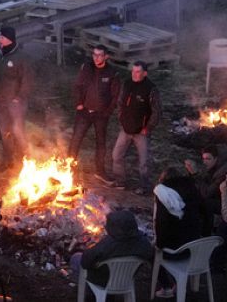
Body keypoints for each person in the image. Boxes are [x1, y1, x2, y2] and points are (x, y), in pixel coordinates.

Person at [152, 166, 211, 298]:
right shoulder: (192, 190)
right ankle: (183, 282)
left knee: (153, 252)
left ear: (162, 180)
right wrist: (206, 236)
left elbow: (162, 223)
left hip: (178, 250)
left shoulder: (164, 194)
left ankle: (166, 287)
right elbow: (207, 213)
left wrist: (159, 245)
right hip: (197, 249)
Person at [68, 44, 120, 185]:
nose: (96, 58)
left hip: (100, 115)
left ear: (106, 56)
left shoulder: (112, 72)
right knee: (75, 140)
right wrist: (79, 103)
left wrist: (107, 112)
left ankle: (100, 171)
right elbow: (78, 86)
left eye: (100, 55)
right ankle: (68, 169)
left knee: (100, 143)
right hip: (84, 112)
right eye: (94, 55)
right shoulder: (87, 68)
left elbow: (115, 96)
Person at [69, 209, 152, 288]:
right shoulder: (143, 242)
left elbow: (86, 262)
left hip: (103, 280)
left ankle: (86, 288)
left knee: (76, 257)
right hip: (127, 279)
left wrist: (90, 247)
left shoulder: (107, 245)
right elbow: (151, 256)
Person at [111, 61, 161, 193]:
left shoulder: (151, 89)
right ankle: (120, 181)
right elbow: (120, 102)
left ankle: (144, 186)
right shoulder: (127, 84)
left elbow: (157, 111)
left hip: (141, 131)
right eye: (133, 71)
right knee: (116, 155)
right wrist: (121, 118)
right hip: (126, 128)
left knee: (144, 162)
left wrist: (148, 127)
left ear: (145, 73)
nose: (134, 74)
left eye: (138, 71)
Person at [0, 25, 34, 172]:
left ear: (9, 39)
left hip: (15, 103)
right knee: (4, 132)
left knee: (18, 131)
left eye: (1, 37)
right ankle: (7, 160)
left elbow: (27, 79)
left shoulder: (21, 57)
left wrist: (19, 97)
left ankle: (25, 160)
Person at [185, 144, 227, 217]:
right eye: (203, 159)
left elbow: (207, 194)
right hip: (218, 198)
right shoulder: (216, 168)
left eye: (208, 159)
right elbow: (205, 181)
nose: (204, 162)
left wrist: (195, 174)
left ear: (217, 159)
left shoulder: (224, 173)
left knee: (198, 202)